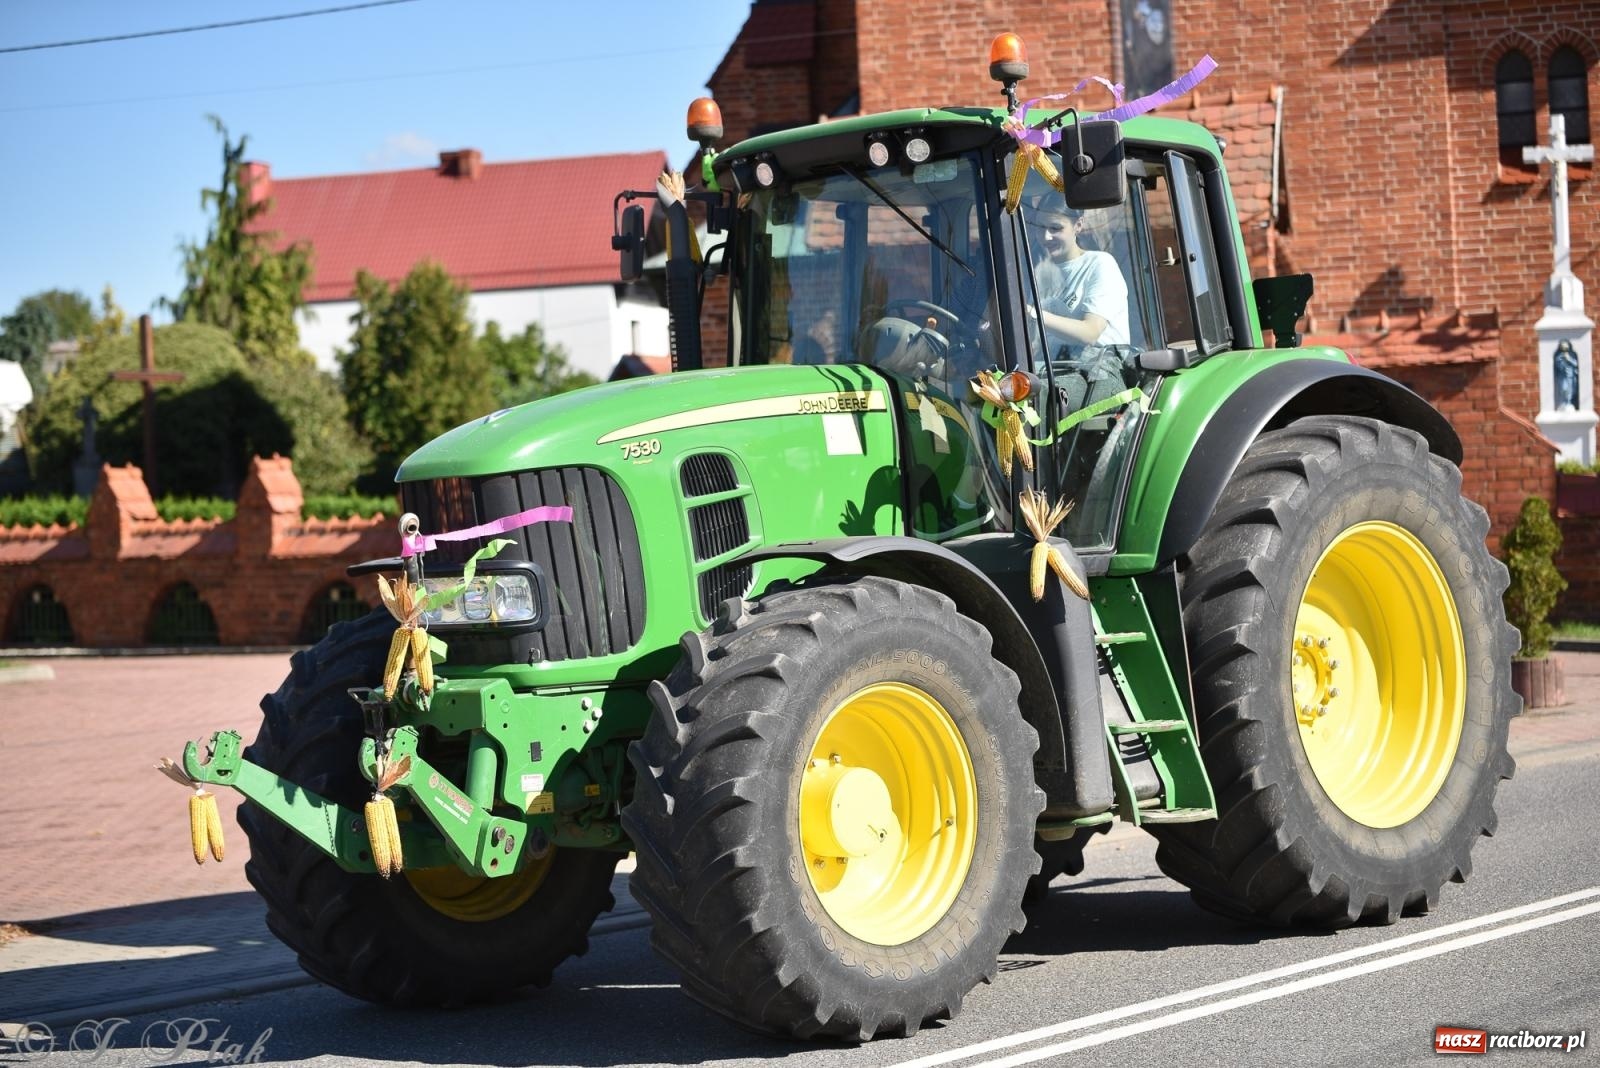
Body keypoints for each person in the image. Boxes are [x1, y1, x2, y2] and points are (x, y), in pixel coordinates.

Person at [1025, 203, 1130, 359]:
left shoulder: (1099, 264)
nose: (1046, 236)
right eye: (1040, 228)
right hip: (1049, 365)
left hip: (1097, 367)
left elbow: (1090, 333)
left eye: (1055, 228)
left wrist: (1031, 314)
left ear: (1078, 225)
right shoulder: (1035, 271)